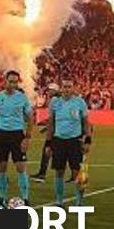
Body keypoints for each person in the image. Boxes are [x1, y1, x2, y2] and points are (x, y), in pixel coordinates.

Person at [0, 70, 34, 207]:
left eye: (15, 82)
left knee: (20, 167)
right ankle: (1, 198)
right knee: (1, 168)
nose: (13, 84)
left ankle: (25, 198)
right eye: (10, 81)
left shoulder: (22, 98)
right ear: (5, 81)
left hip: (17, 134)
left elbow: (30, 118)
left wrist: (27, 137)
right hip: (1, 134)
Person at [47, 75, 91, 206]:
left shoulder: (80, 102)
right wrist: (49, 143)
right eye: (64, 87)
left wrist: (88, 140)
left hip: (75, 141)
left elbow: (86, 123)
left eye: (69, 87)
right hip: (59, 140)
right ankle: (59, 201)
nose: (66, 89)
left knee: (78, 172)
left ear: (73, 88)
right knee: (59, 171)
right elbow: (51, 123)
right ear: (61, 88)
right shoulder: (55, 102)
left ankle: (79, 200)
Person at [31, 82, 60, 182]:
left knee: (47, 151)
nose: (48, 92)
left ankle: (42, 174)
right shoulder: (59, 100)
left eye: (50, 90)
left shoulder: (54, 101)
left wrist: (47, 126)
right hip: (58, 129)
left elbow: (54, 117)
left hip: (55, 131)